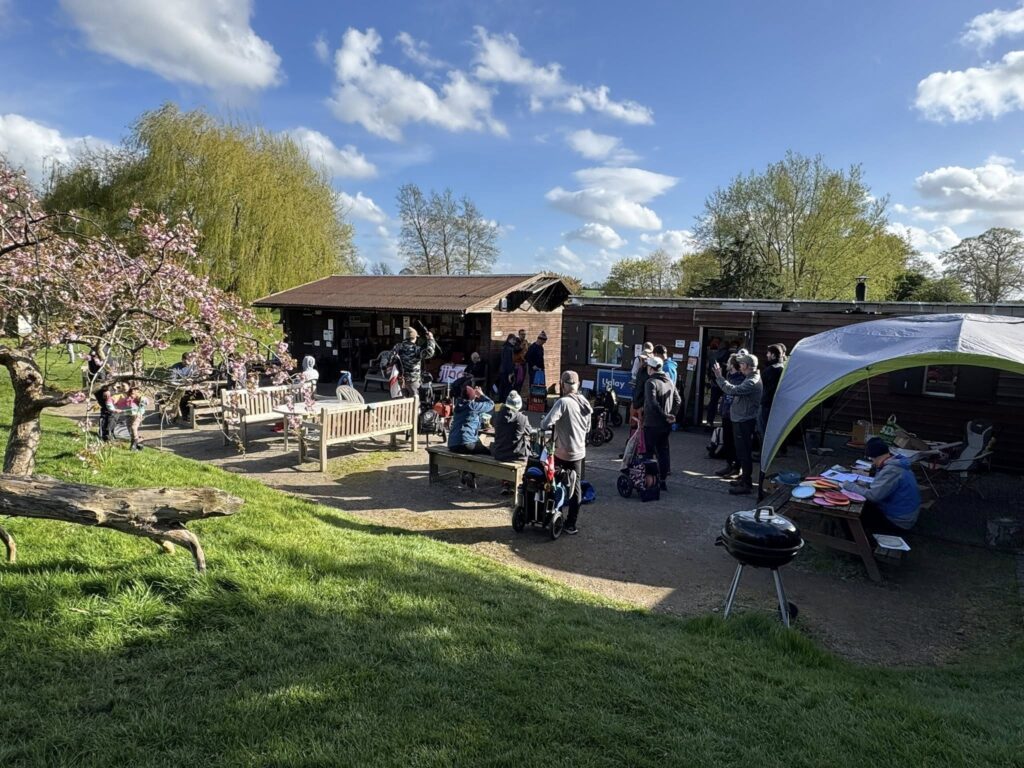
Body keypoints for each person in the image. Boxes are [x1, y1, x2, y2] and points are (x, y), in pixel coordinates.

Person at [540, 370, 593, 535]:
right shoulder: (585, 402)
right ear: (577, 385)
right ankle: (571, 524)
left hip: (562, 452)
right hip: (579, 452)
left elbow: (546, 423)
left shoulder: (563, 402)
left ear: (562, 385)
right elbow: (588, 429)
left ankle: (552, 515)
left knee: (552, 482)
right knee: (575, 488)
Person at [712, 351, 762, 495]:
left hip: (744, 420)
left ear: (746, 365)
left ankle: (746, 484)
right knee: (742, 452)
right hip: (742, 419)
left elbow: (732, 390)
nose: (739, 366)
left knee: (745, 452)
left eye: (741, 363)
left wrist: (719, 377)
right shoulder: (750, 378)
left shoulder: (752, 381)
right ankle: (743, 479)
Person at [849, 438, 921, 534]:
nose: (873, 463)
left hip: (898, 521)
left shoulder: (892, 470)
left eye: (871, 459)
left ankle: (858, 541)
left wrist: (847, 485)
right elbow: (884, 486)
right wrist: (864, 483)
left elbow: (873, 496)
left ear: (872, 457)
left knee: (855, 512)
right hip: (905, 514)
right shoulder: (896, 462)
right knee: (863, 504)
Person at [642, 357, 681, 491]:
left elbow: (652, 404)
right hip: (665, 425)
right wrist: (672, 415)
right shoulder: (669, 380)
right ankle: (662, 480)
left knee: (648, 453)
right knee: (663, 452)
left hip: (652, 424)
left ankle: (649, 481)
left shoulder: (651, 382)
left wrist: (665, 415)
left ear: (651, 368)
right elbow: (678, 400)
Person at [448, 384, 495, 488]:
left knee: (476, 445)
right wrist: (481, 395)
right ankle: (469, 473)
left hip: (452, 443)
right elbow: (491, 404)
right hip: (466, 443)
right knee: (487, 451)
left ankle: (467, 473)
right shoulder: (472, 406)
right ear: (472, 397)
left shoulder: (458, 404)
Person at [714, 355, 745, 479]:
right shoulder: (730, 377)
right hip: (726, 414)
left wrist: (719, 376)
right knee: (727, 441)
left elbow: (731, 391)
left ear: (733, 365)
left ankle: (736, 468)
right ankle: (729, 465)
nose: (726, 364)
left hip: (735, 415)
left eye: (728, 362)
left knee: (735, 442)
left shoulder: (740, 379)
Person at [390, 327, 437, 396]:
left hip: (401, 379)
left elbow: (390, 358)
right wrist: (431, 339)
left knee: (403, 401)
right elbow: (430, 353)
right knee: (415, 401)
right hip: (413, 380)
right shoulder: (416, 349)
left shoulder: (397, 346)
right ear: (415, 338)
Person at [705, 339, 738, 428]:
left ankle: (709, 421)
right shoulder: (729, 355)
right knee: (726, 402)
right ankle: (724, 423)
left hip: (715, 382)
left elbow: (709, 368)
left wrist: (711, 378)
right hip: (726, 381)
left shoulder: (713, 355)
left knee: (713, 402)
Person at [758, 344, 787, 440]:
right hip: (780, 403)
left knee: (764, 429)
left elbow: (761, 385)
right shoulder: (784, 368)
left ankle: (764, 452)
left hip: (767, 403)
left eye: (768, 353)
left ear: (774, 355)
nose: (766, 355)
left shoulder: (770, 370)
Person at [120, 386, 149, 451]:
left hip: (137, 415)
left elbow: (146, 402)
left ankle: (134, 444)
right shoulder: (127, 397)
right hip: (128, 415)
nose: (131, 395)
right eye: (130, 393)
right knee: (130, 430)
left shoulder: (140, 398)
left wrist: (140, 398)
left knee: (133, 427)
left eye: (133, 393)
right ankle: (139, 441)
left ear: (137, 392)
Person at [498, 333, 517, 401]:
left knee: (502, 387)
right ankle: (505, 402)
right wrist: (510, 373)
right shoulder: (508, 348)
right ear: (509, 339)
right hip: (506, 372)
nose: (514, 342)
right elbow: (508, 362)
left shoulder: (504, 347)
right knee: (507, 388)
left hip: (503, 370)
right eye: (513, 340)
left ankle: (501, 402)